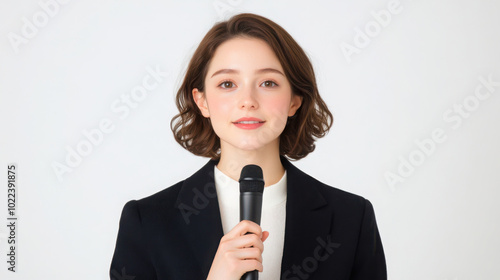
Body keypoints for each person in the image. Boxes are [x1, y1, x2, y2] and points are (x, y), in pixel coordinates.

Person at [110, 13, 386, 280]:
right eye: (227, 84)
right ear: (202, 101)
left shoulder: (351, 219)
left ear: (294, 100)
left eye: (268, 82)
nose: (248, 100)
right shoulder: (148, 221)